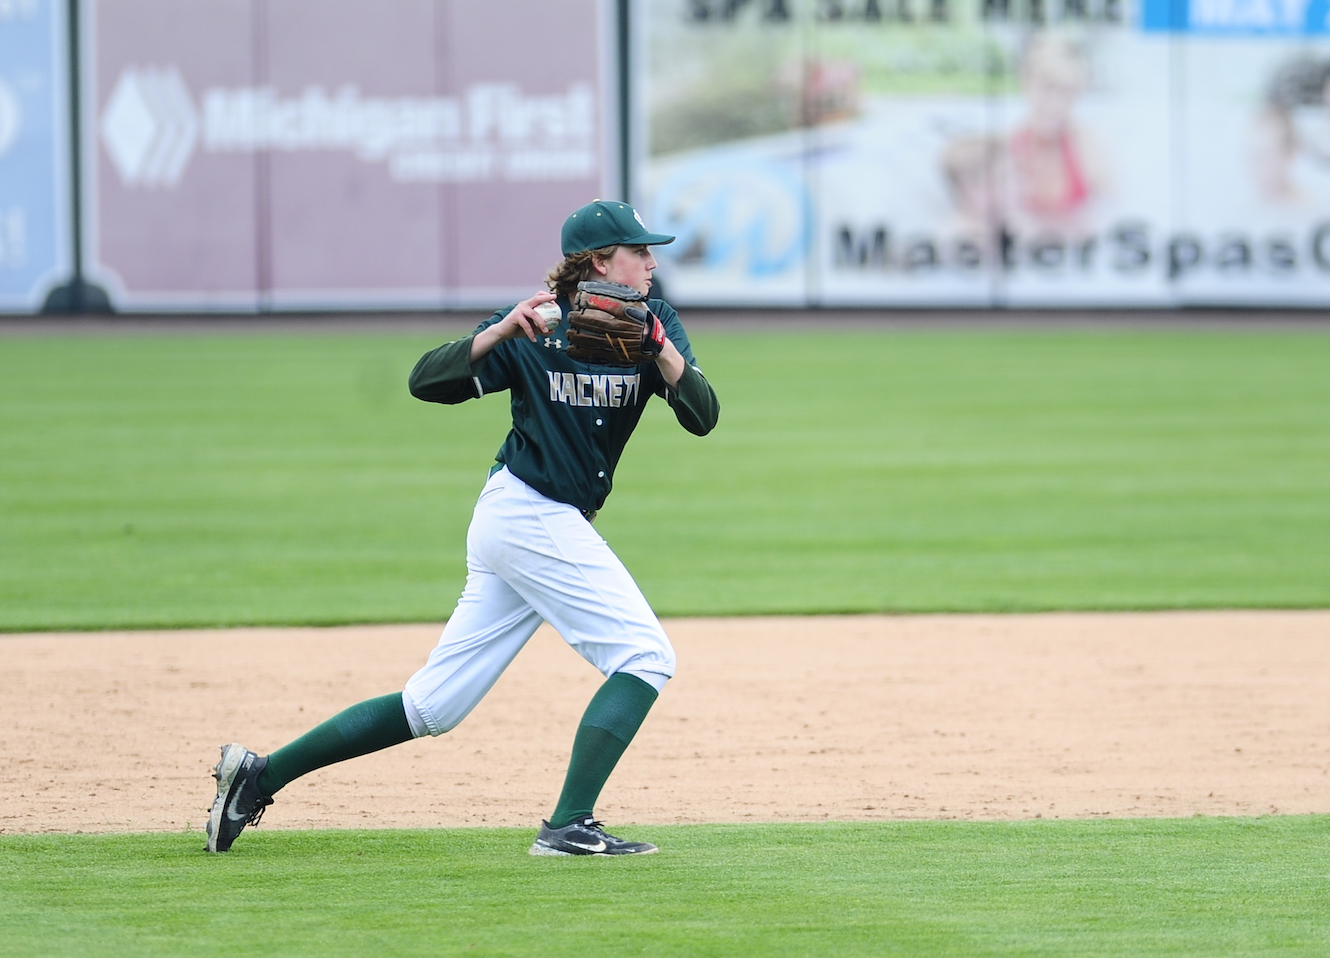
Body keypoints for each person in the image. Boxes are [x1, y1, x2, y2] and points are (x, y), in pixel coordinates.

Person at [206, 200, 720, 857]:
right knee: (644, 657)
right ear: (599, 262)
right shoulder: (536, 324)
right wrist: (498, 333)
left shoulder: (655, 323)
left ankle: (258, 775)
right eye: (639, 250)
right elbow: (427, 381)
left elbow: (702, 416)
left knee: (431, 707)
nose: (652, 261)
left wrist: (663, 355)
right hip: (527, 511)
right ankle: (568, 825)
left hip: (534, 523)